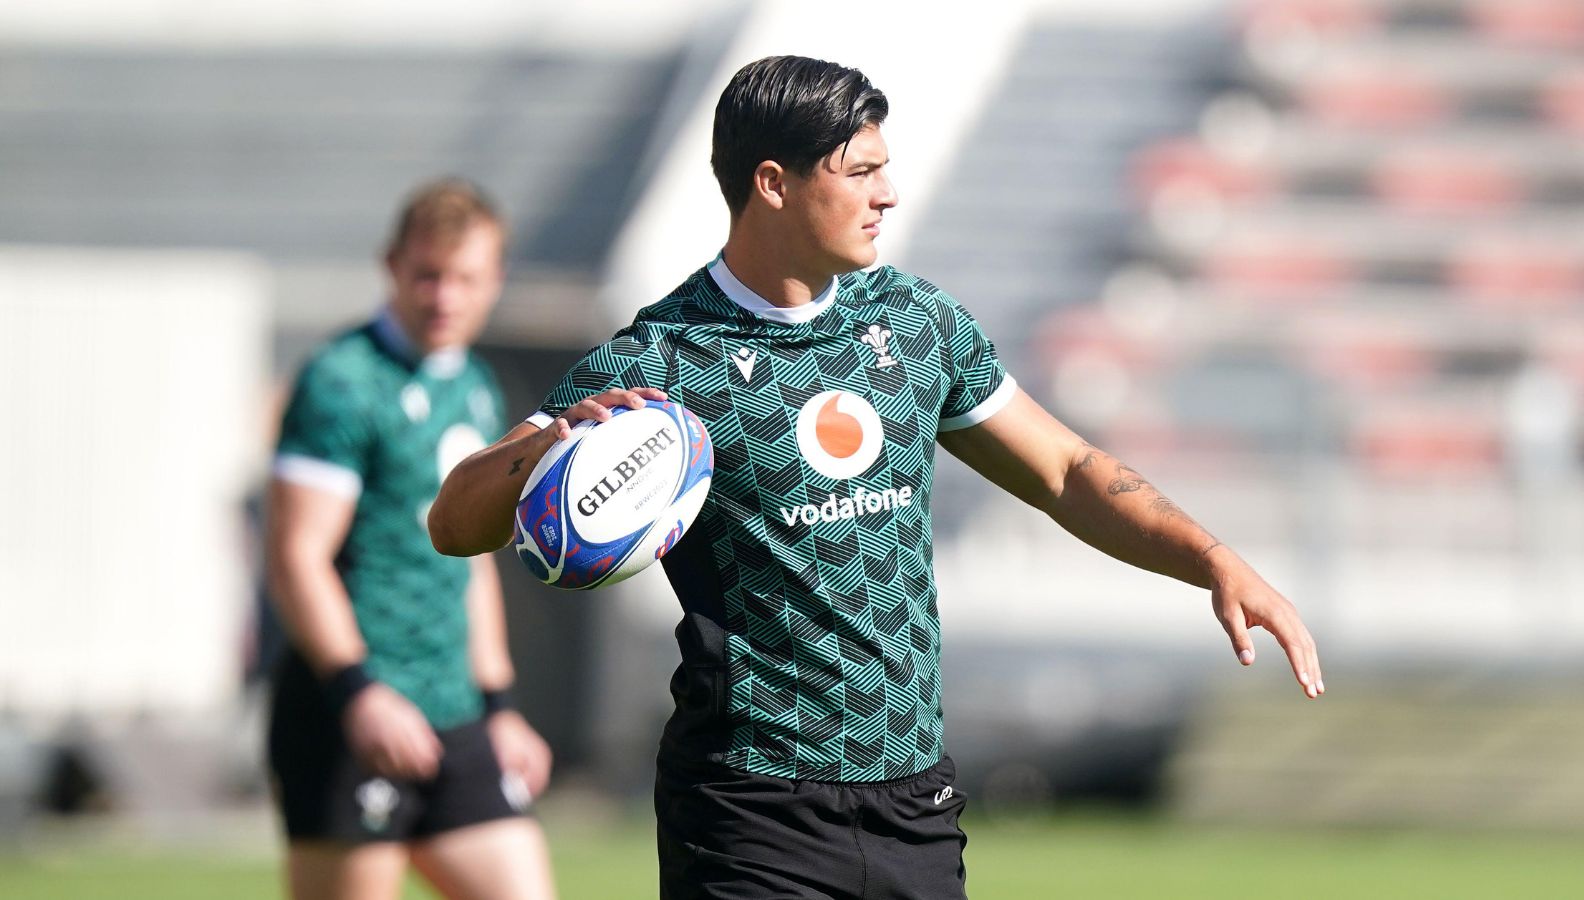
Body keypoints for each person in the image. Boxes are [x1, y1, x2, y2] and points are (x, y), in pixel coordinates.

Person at [429, 56, 1323, 899]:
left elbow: (1066, 471)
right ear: (774, 183)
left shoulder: (915, 322)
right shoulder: (662, 361)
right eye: (859, 172)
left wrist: (1212, 559)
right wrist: (538, 451)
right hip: (749, 805)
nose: (887, 194)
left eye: (885, 169)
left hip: (913, 799)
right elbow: (453, 522)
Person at [266, 179, 558, 900]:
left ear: (496, 281)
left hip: (454, 712)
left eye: (465, 279)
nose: (444, 297)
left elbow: (474, 564)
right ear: (391, 265)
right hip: (352, 717)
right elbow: (296, 555)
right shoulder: (343, 380)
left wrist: (500, 708)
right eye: (428, 275)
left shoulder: (479, 386)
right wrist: (358, 693)